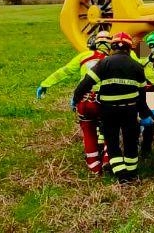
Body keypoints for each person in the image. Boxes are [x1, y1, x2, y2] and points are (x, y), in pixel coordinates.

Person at [73, 32, 153, 183]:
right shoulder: (136, 66)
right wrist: (145, 114)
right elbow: (142, 96)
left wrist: (76, 98)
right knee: (130, 142)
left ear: (113, 46)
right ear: (129, 48)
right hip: (130, 110)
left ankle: (121, 174)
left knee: (112, 142)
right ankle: (131, 172)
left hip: (108, 111)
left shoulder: (104, 63)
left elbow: (86, 83)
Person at [35, 30, 113, 175]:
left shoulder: (84, 56)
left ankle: (94, 168)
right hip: (104, 102)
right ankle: (108, 160)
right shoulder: (113, 59)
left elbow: (63, 71)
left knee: (89, 133)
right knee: (110, 130)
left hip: (84, 100)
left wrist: (45, 84)